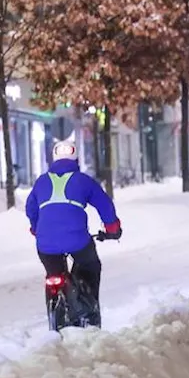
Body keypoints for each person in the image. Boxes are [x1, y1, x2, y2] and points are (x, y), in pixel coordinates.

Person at [25, 140, 122, 327]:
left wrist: (36, 228)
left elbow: (31, 208)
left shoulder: (42, 182)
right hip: (77, 241)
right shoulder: (83, 181)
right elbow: (105, 206)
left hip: (46, 244)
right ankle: (91, 313)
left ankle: (54, 316)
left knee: (53, 274)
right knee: (90, 266)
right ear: (76, 159)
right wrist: (112, 229)